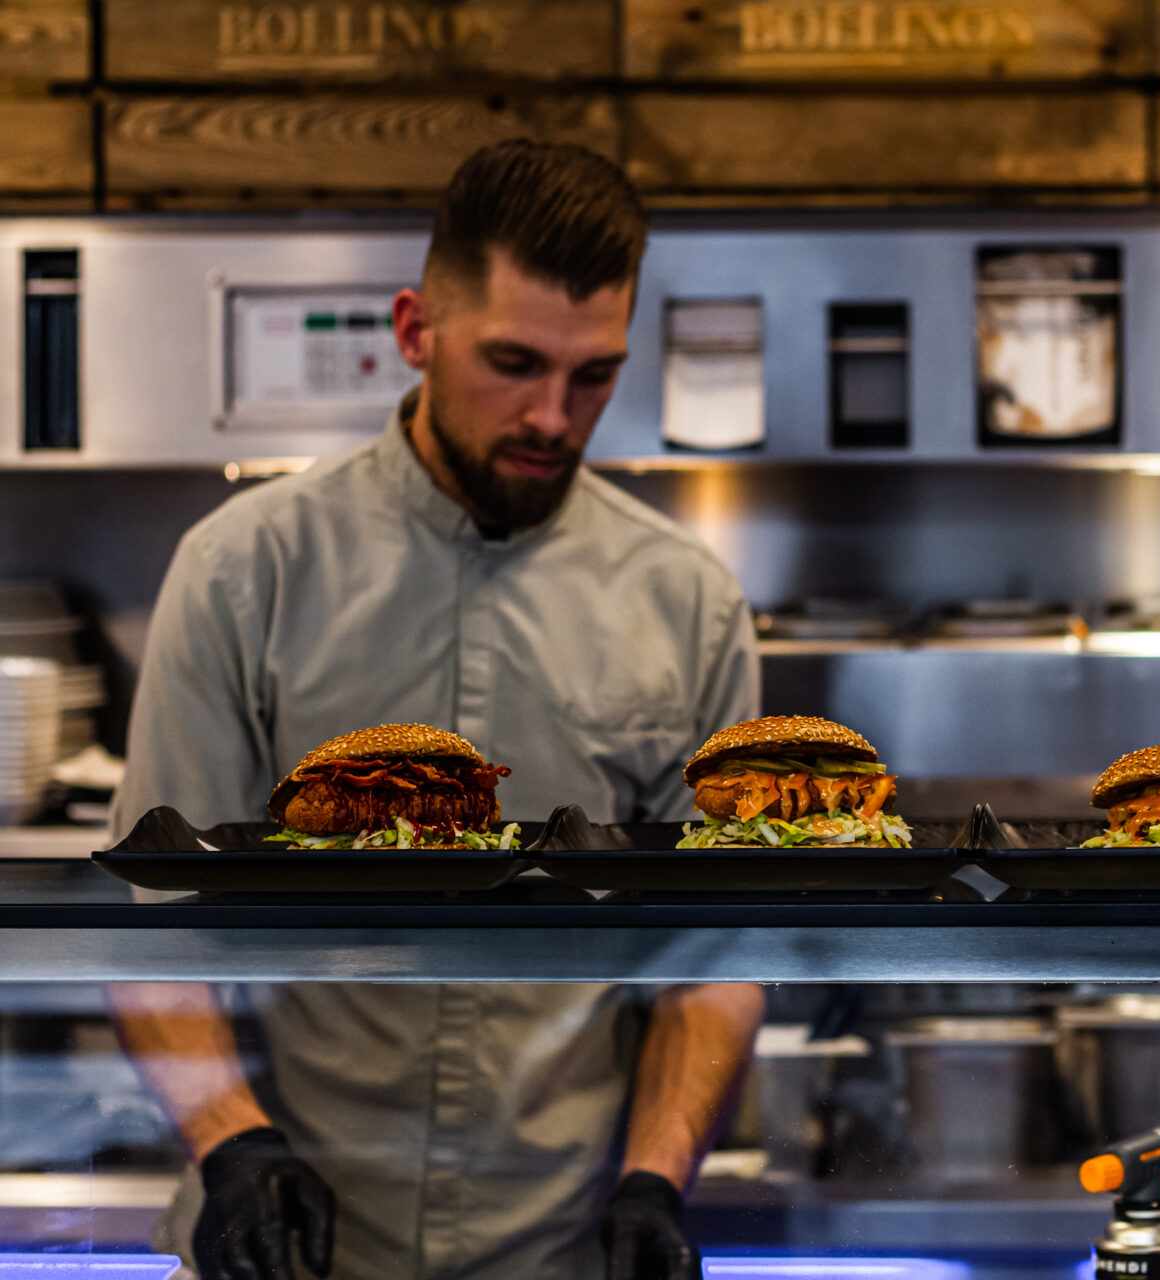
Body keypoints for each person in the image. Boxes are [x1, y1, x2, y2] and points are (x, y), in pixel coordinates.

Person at [105, 140, 764, 1280]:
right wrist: (231, 1145)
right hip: (289, 1244)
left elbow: (709, 954)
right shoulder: (241, 568)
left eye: (593, 375)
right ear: (414, 331)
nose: (554, 416)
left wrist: (656, 1179)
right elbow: (151, 919)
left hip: (557, 1249)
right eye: (513, 362)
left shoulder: (689, 600)